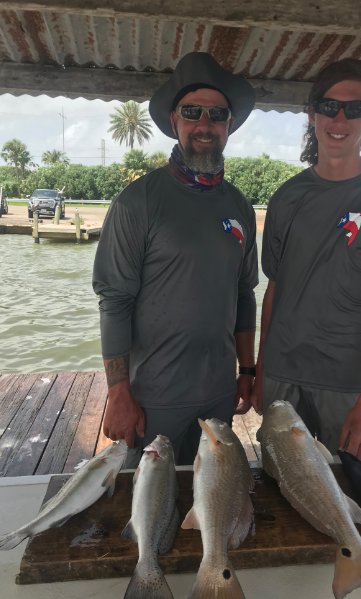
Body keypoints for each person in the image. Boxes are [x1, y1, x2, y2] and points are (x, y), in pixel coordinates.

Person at [93, 52, 258, 467]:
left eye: (217, 114)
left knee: (211, 510)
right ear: (174, 122)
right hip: (153, 398)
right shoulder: (138, 202)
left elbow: (244, 294)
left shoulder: (239, 205)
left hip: (220, 395)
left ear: (229, 125)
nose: (205, 123)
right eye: (192, 111)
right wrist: (118, 392)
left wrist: (248, 369)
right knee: (149, 518)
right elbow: (114, 300)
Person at [251, 59, 361, 462]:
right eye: (329, 107)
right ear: (312, 114)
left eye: (355, 109)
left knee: (347, 500)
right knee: (283, 493)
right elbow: (274, 289)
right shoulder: (286, 197)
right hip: (281, 378)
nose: (340, 118)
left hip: (347, 386)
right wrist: (260, 371)